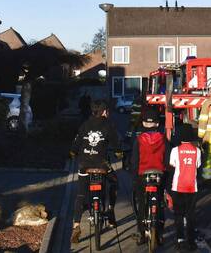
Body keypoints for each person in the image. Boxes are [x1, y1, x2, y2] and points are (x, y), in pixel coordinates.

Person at [69, 99, 121, 244]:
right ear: (104, 112)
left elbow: (75, 144)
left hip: (85, 165)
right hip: (102, 165)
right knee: (115, 183)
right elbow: (116, 144)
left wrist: (73, 153)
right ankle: (110, 211)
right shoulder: (108, 125)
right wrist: (119, 153)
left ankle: (76, 226)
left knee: (80, 194)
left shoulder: (85, 125)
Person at [129, 105, 167, 246]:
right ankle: (160, 233)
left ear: (144, 123)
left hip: (142, 176)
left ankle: (141, 233)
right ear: (157, 123)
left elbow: (134, 161)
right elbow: (168, 160)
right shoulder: (163, 139)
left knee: (141, 202)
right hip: (159, 175)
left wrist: (134, 177)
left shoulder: (139, 140)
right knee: (160, 203)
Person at [168, 122, 202, 250]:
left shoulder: (175, 150)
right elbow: (197, 166)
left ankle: (180, 239)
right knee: (190, 214)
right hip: (192, 187)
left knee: (178, 214)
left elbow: (172, 165)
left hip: (178, 187)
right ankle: (191, 241)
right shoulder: (197, 151)